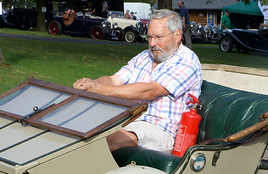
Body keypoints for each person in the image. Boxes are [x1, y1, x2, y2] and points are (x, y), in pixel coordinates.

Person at [73, 9, 202, 153]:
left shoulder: (187, 60)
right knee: (77, 127)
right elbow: (114, 80)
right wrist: (92, 84)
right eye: (150, 37)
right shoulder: (144, 56)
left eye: (159, 37)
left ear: (177, 35)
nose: (152, 43)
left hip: (159, 130)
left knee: (104, 140)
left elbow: (150, 91)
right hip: (127, 120)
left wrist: (99, 90)